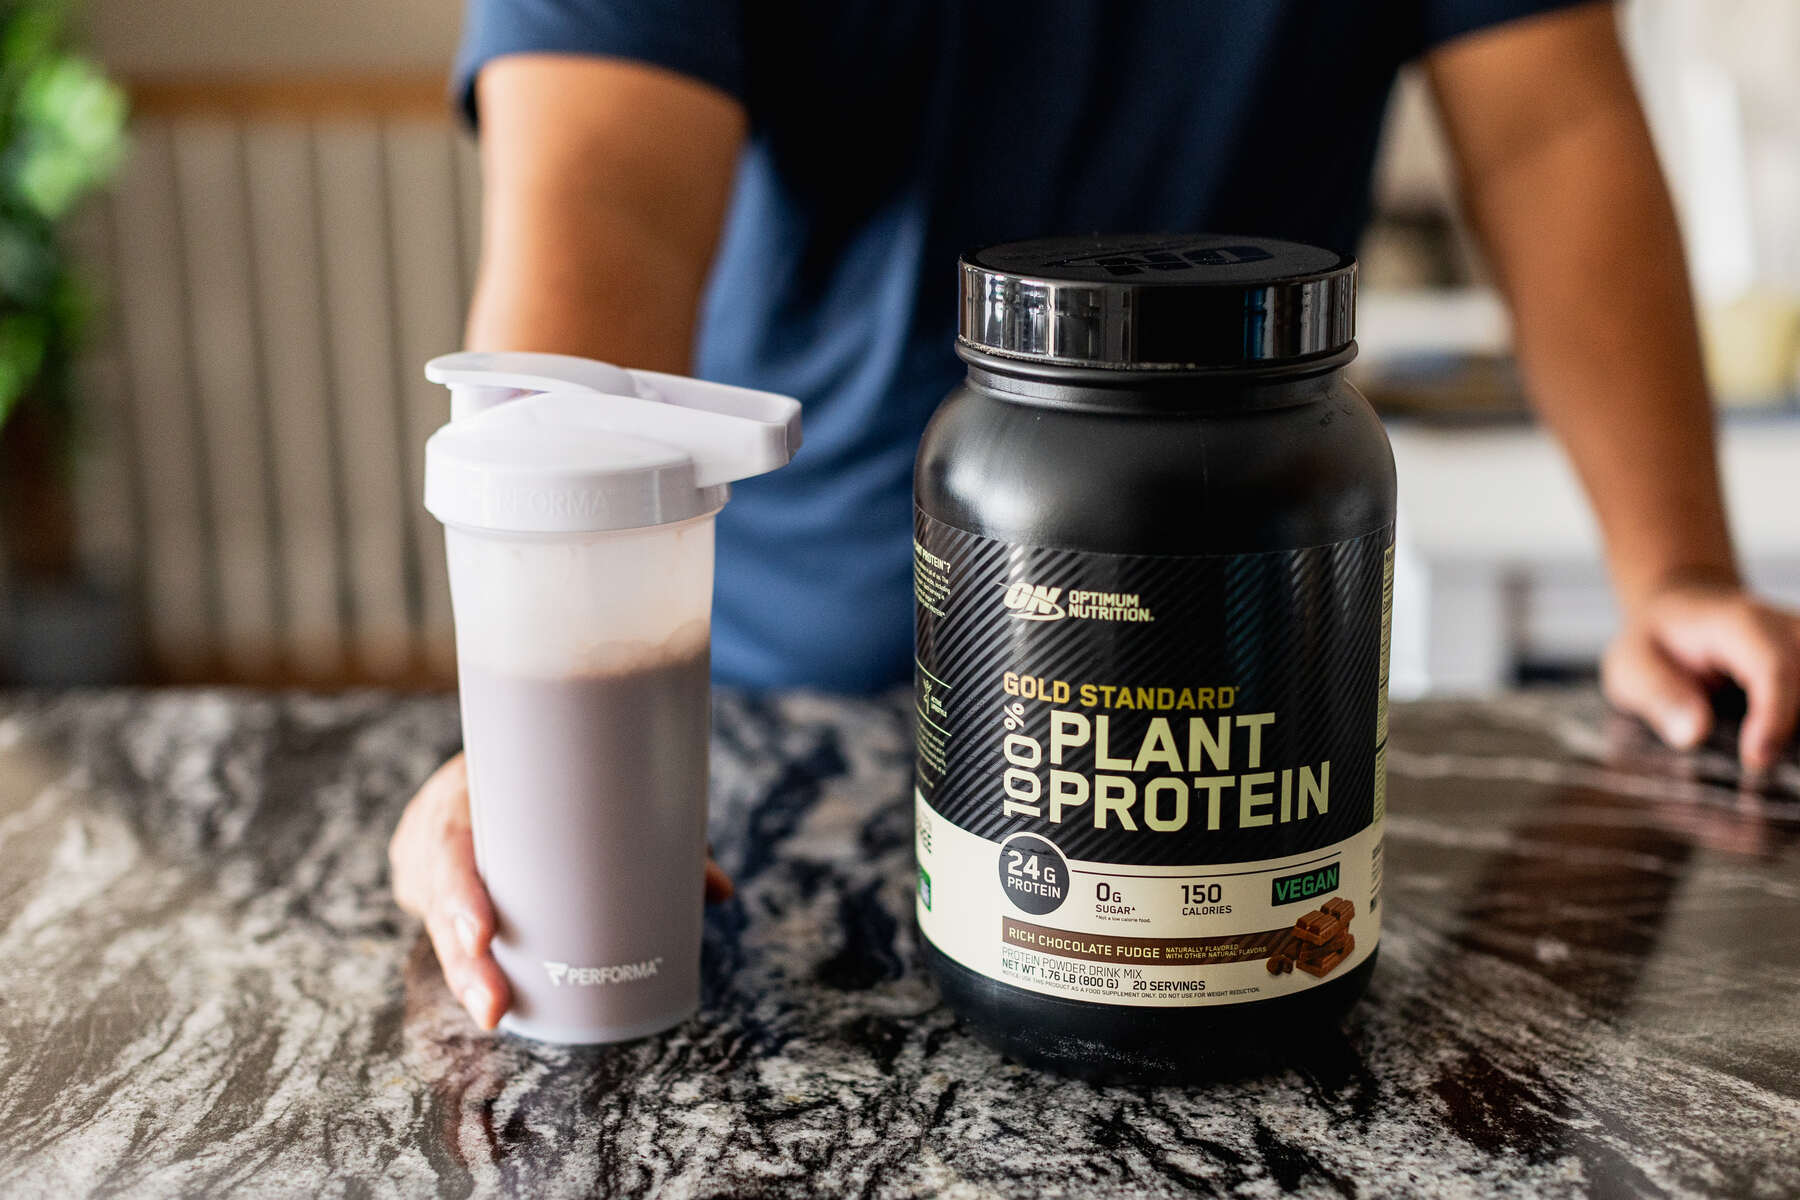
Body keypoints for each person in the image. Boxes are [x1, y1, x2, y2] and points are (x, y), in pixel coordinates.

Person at [390, 0, 1800, 1030]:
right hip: (754, 701)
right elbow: (604, 193)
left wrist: (1673, 569)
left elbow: (1553, 129)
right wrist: (540, 735)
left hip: (1245, 660)